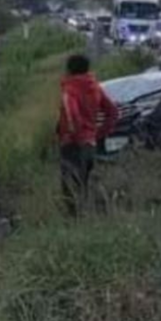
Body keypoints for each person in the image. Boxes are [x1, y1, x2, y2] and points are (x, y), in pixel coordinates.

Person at [58, 54, 119, 215]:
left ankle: (74, 223)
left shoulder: (69, 90)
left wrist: (76, 137)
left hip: (72, 145)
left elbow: (73, 115)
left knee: (70, 189)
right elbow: (112, 112)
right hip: (91, 144)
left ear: (69, 69)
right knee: (87, 183)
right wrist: (99, 134)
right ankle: (97, 217)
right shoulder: (95, 87)